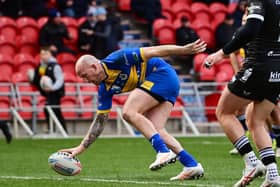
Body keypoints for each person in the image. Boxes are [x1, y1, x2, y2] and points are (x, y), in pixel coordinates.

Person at [60, 39, 207, 180]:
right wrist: (81, 147)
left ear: (94, 67)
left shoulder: (117, 59)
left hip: (162, 74)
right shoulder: (104, 89)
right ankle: (191, 165)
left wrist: (183, 50)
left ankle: (163, 151)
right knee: (156, 129)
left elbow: (153, 50)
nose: (85, 81)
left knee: (129, 112)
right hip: (164, 83)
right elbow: (100, 121)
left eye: (85, 76)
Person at [203, 0, 280, 186]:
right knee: (256, 121)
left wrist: (220, 53)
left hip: (259, 65)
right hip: (277, 70)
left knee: (224, 112)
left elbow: (251, 28)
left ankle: (251, 162)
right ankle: (273, 174)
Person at [30, 47, 68, 133]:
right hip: (47, 93)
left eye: (45, 54)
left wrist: (52, 88)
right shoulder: (41, 66)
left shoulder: (55, 66)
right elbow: (37, 79)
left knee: (54, 110)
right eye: (42, 54)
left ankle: (61, 130)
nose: (43, 56)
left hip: (56, 93)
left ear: (50, 54)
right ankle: (53, 129)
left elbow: (60, 80)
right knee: (50, 109)